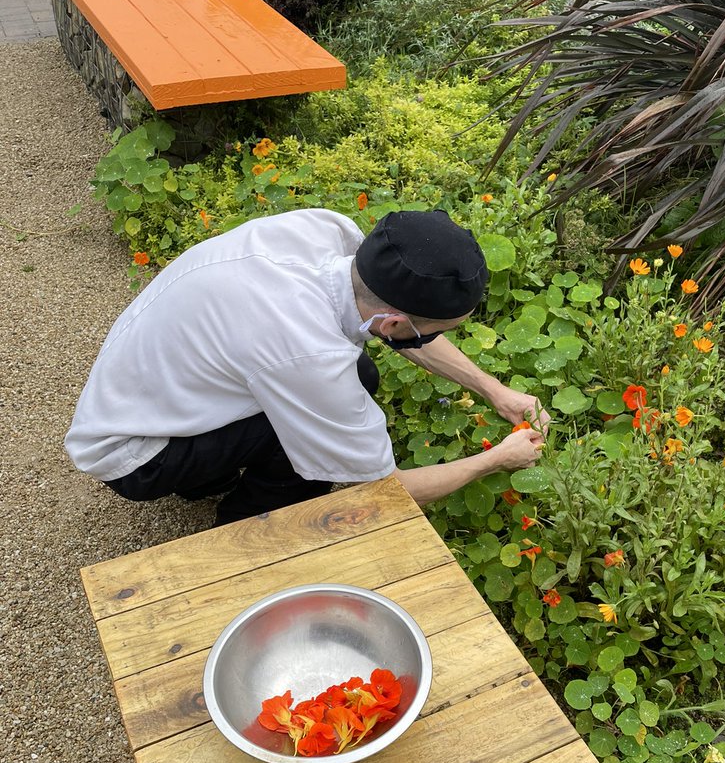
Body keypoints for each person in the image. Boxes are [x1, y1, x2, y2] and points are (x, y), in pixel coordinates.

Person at [65, 207, 547, 525]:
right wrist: (497, 459)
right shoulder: (306, 351)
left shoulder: (327, 233)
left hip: (146, 385)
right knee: (315, 457)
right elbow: (386, 488)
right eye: (441, 329)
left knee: (362, 375)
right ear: (394, 322)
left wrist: (494, 390)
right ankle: (244, 527)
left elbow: (398, 327)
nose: (439, 338)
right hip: (131, 453)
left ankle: (208, 476)